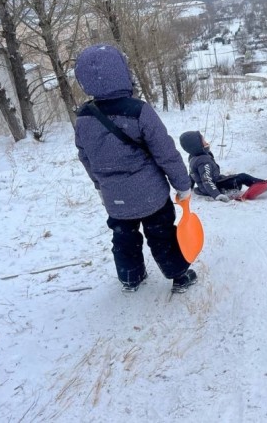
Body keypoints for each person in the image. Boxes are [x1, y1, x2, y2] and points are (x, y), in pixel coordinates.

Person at [73, 43, 197, 294]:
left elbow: (85, 156)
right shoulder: (139, 111)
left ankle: (130, 278)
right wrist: (182, 185)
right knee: (161, 234)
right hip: (150, 194)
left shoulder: (84, 117)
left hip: (114, 196)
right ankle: (179, 275)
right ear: (122, 71)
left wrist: (99, 184)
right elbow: (165, 152)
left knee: (123, 238)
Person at [179, 131, 267, 201]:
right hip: (215, 186)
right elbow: (207, 180)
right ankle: (263, 184)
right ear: (196, 146)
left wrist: (188, 186)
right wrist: (217, 195)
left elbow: (191, 174)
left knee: (236, 183)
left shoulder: (193, 157)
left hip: (213, 184)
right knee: (242, 177)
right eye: (203, 141)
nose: (206, 142)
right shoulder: (203, 161)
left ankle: (233, 189)